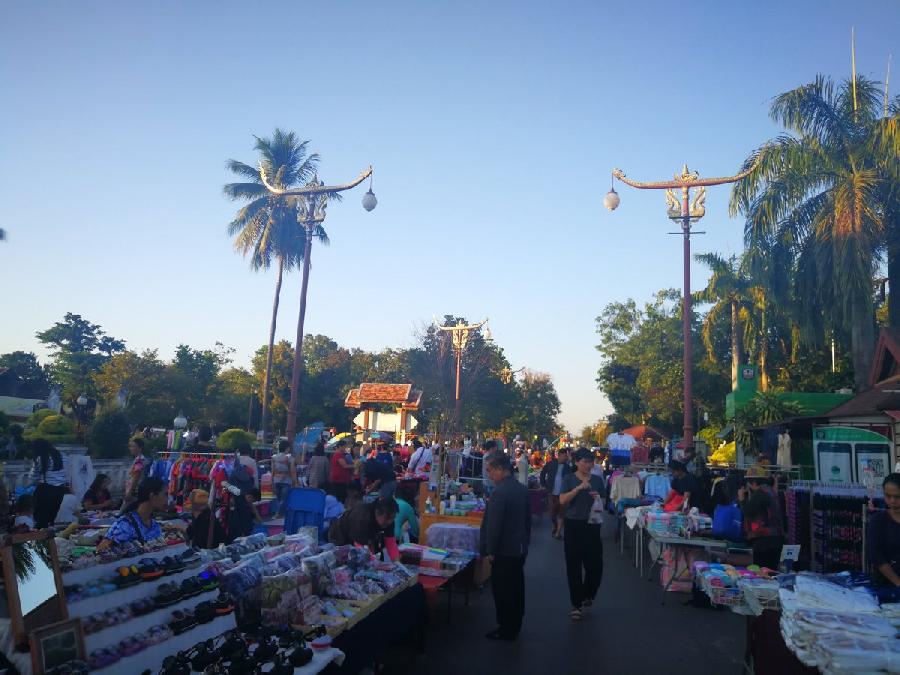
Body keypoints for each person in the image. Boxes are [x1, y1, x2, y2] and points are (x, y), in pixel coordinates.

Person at [480, 453, 530, 642]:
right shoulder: (521, 489)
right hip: (518, 548)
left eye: (490, 470)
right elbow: (527, 522)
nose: (489, 474)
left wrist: (490, 550)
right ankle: (514, 625)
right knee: (517, 588)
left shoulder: (499, 492)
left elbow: (494, 526)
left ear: (500, 469)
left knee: (503, 591)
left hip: (504, 550)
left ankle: (505, 627)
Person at [559, 447, 606, 621]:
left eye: (591, 461)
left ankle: (588, 593)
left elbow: (605, 501)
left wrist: (598, 498)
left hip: (593, 525)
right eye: (585, 461)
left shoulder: (598, 480)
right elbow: (562, 500)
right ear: (577, 462)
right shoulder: (568, 479)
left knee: (596, 566)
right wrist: (578, 488)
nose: (588, 465)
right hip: (573, 525)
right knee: (574, 566)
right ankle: (576, 604)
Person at [97, 478, 167, 550]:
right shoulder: (124, 525)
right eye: (165, 494)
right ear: (153, 496)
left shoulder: (155, 525)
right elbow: (101, 551)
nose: (167, 499)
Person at [737, 465, 784, 569]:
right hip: (776, 538)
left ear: (753, 482)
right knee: (771, 572)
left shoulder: (760, 494)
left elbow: (748, 512)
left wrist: (741, 499)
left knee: (762, 573)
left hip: (763, 541)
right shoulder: (771, 492)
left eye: (748, 482)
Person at [327, 496, 399, 559]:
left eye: (392, 518)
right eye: (387, 518)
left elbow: (391, 542)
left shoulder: (388, 520)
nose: (389, 522)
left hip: (359, 538)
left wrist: (397, 564)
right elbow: (361, 549)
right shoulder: (363, 518)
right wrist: (374, 563)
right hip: (338, 535)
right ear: (377, 512)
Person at [868, 473, 900, 586]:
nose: (892, 501)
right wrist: (898, 583)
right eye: (888, 496)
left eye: (897, 497)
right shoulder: (878, 520)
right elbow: (877, 557)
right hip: (886, 586)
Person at [30, 439, 69, 528]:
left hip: (45, 489)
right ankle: (49, 535)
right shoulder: (63, 456)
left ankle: (40, 537)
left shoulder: (41, 458)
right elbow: (66, 473)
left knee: (41, 517)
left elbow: (33, 476)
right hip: (60, 490)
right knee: (52, 514)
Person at [540, 447, 571, 539]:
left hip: (563, 494)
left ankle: (558, 532)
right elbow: (543, 473)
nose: (565, 458)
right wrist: (543, 484)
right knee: (552, 514)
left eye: (566, 456)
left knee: (561, 513)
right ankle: (556, 526)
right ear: (559, 456)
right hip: (551, 493)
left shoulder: (567, 467)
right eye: (564, 456)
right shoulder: (551, 464)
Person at [271, 440, 296, 516]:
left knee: (278, 499)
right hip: (286, 481)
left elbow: (272, 470)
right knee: (284, 499)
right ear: (287, 448)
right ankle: (281, 515)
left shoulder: (274, 457)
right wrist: (295, 481)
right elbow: (292, 471)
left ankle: (278, 514)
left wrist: (272, 481)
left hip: (276, 480)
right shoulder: (290, 458)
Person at [122, 437, 148, 512]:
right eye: (130, 446)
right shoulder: (140, 459)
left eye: (133, 446)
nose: (131, 448)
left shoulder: (139, 460)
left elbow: (136, 476)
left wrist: (130, 492)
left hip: (134, 492)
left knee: (124, 513)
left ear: (140, 448)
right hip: (136, 491)